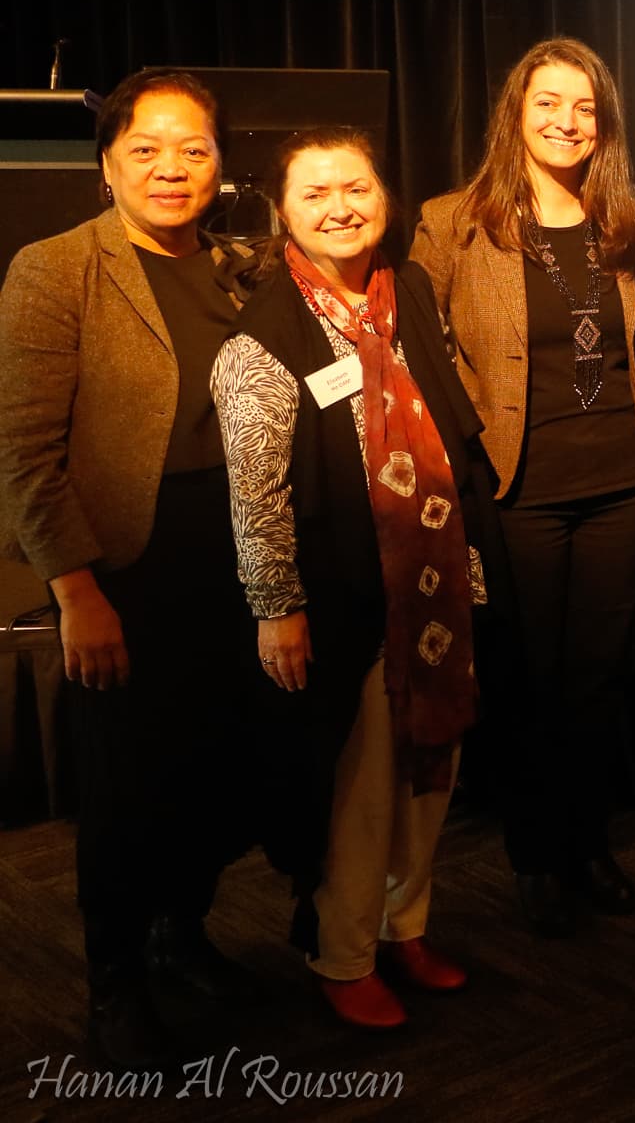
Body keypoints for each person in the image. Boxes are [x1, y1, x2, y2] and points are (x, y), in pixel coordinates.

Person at [0, 69, 261, 1064]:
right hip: (122, 575)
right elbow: (23, 451)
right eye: (146, 148)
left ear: (220, 164)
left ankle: (179, 935)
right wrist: (75, 590)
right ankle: (112, 982)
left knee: (212, 773)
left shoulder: (242, 268)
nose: (171, 167)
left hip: (233, 565)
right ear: (106, 166)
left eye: (192, 149)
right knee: (125, 794)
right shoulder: (55, 268)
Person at [212, 129, 495, 1029]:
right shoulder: (264, 330)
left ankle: (405, 925)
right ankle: (342, 955)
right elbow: (257, 493)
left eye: (358, 186)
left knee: (430, 771)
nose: (342, 207)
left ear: (386, 195)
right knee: (363, 789)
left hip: (437, 586)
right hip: (347, 599)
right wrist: (277, 608)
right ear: (284, 215)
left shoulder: (405, 291)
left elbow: (452, 432)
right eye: (316, 194)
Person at [412, 37, 635, 938]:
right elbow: (419, 348)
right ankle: (532, 851)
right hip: (514, 486)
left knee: (596, 676)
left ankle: (586, 842)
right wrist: (467, 439)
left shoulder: (625, 222)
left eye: (585, 108)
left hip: (622, 481)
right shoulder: (455, 221)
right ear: (516, 112)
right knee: (524, 678)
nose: (567, 122)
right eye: (548, 103)